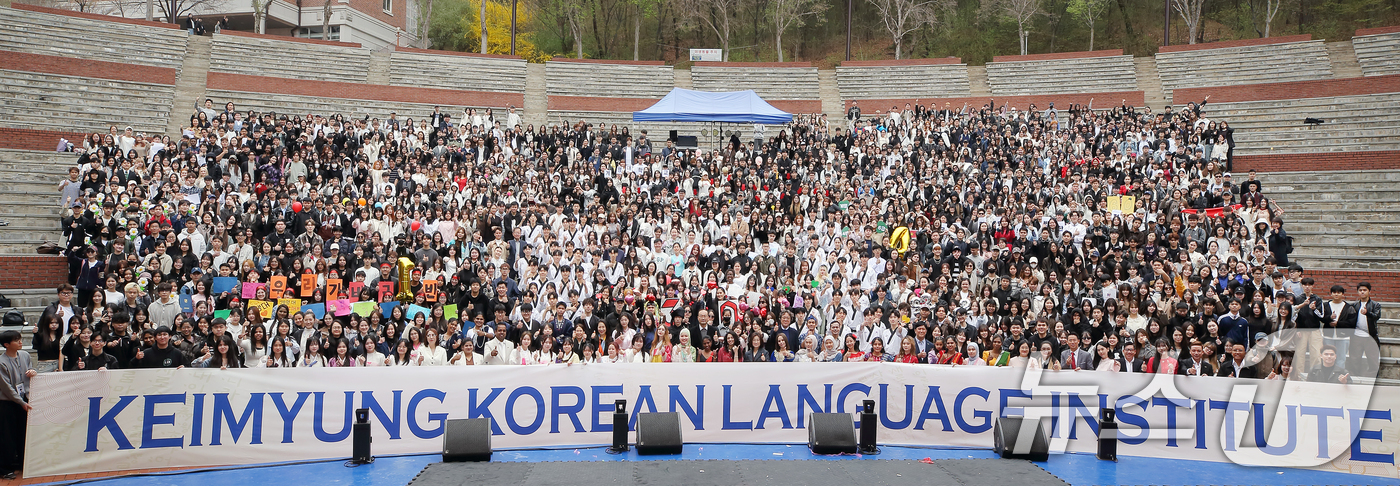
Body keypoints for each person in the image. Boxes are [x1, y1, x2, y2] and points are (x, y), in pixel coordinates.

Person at [0, 330, 35, 480]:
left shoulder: (25, 355)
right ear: (7, 345)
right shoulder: (1, 362)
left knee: (24, 433)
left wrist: (33, 371)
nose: (20, 342)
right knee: (7, 436)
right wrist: (21, 403)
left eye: (20, 339)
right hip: (7, 403)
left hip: (24, 399)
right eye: (16, 340)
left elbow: (32, 370)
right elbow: (6, 388)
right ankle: (4, 468)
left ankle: (23, 463)